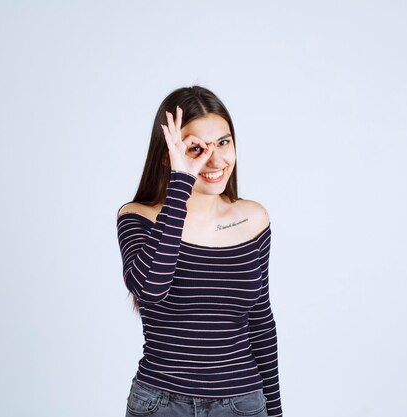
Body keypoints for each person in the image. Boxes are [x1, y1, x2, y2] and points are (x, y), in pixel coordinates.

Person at [116, 86, 283, 417]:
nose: (216, 160)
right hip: (161, 404)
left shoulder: (253, 219)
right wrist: (181, 183)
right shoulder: (138, 218)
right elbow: (149, 290)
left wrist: (275, 412)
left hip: (242, 405)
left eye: (223, 142)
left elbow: (260, 321)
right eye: (196, 148)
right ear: (169, 154)